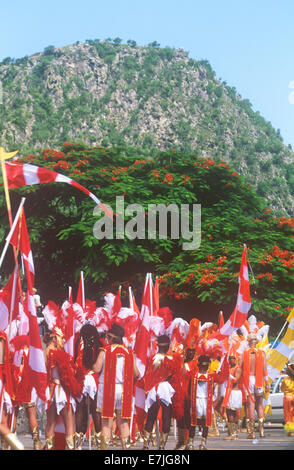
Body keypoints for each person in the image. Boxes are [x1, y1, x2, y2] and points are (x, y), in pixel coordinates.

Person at [93, 323, 140, 450]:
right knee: (123, 423)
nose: (107, 339)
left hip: (108, 389)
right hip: (124, 391)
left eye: (108, 336)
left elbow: (96, 369)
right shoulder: (130, 352)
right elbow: (137, 373)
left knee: (106, 423)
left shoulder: (105, 351)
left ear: (112, 337)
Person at [44, 327, 85, 450]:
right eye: (61, 338)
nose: (63, 341)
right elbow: (67, 374)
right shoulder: (57, 353)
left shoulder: (44, 352)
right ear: (55, 338)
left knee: (50, 423)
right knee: (69, 421)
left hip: (50, 390)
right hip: (61, 390)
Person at [143, 335, 182, 450]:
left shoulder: (151, 358)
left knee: (151, 416)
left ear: (157, 344)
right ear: (168, 345)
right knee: (166, 417)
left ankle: (145, 445)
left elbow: (147, 375)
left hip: (153, 389)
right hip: (166, 389)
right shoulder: (172, 360)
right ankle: (162, 447)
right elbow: (175, 379)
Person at [187, 353, 229, 450]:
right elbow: (222, 378)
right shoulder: (212, 377)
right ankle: (203, 443)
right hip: (207, 402)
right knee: (205, 424)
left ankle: (190, 443)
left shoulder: (193, 376)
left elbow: (189, 390)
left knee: (193, 423)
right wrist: (225, 361)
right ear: (208, 366)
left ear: (198, 365)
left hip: (196, 401)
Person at [74, 323, 104, 449]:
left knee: (79, 410)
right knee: (96, 411)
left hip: (81, 377)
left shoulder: (77, 342)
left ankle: (77, 443)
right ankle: (99, 442)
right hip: (93, 378)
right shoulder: (99, 343)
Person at [238, 333, 269, 439]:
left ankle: (252, 432)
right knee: (259, 405)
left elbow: (239, 369)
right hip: (259, 379)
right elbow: (265, 369)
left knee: (250, 405)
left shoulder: (244, 354)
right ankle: (261, 430)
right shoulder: (262, 353)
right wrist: (267, 383)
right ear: (256, 342)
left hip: (248, 380)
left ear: (248, 342)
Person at [221, 354, 243, 440]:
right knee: (230, 413)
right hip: (229, 391)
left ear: (236, 359)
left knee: (231, 413)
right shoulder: (229, 368)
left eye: (233, 358)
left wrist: (228, 374)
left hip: (234, 393)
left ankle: (233, 434)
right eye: (229, 358)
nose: (231, 360)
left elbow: (235, 380)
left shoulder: (237, 368)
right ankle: (232, 433)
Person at [281, 363, 294, 437]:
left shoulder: (285, 380)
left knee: (288, 415)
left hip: (287, 398)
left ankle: (290, 431)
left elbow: (282, 389)